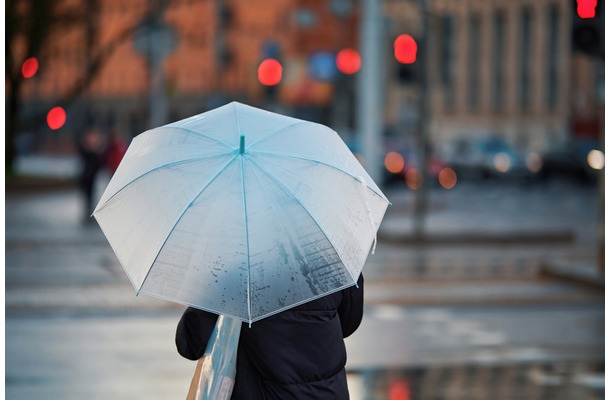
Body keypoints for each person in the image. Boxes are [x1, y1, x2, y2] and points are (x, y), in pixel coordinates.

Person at [176, 274, 364, 399]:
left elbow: (190, 344)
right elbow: (348, 324)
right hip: (327, 392)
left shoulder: (237, 267)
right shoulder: (335, 257)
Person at [77, 128, 106, 222]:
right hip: (85, 177)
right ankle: (87, 212)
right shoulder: (85, 150)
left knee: (92, 195)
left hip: (93, 177)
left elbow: (100, 163)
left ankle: (89, 211)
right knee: (86, 196)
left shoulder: (96, 152)